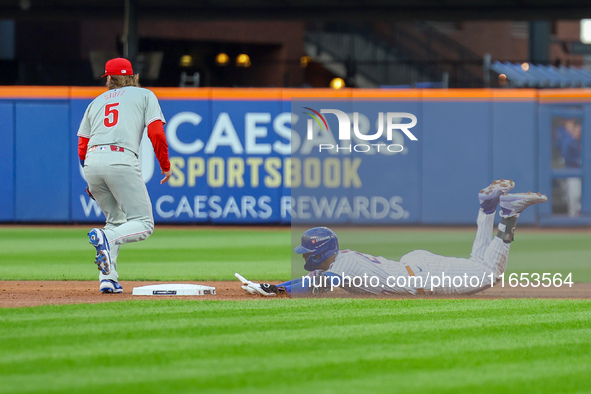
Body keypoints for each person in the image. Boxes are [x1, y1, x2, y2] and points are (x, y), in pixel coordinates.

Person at [237, 179, 547, 297]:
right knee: (477, 265)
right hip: (414, 267)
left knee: (488, 272)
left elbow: (312, 284)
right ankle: (487, 208)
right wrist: (277, 286)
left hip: (424, 275)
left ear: (322, 252)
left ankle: (505, 213)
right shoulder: (339, 262)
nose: (303, 256)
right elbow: (313, 281)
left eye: (307, 251)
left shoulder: (342, 268)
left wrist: (278, 291)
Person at [77, 57, 172, 293]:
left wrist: (91, 179)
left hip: (92, 162)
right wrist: (165, 164)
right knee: (144, 224)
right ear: (133, 77)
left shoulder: (96, 102)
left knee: (115, 221)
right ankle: (106, 240)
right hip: (120, 158)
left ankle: (108, 279)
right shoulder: (144, 95)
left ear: (108, 78)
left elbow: (82, 144)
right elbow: (156, 133)